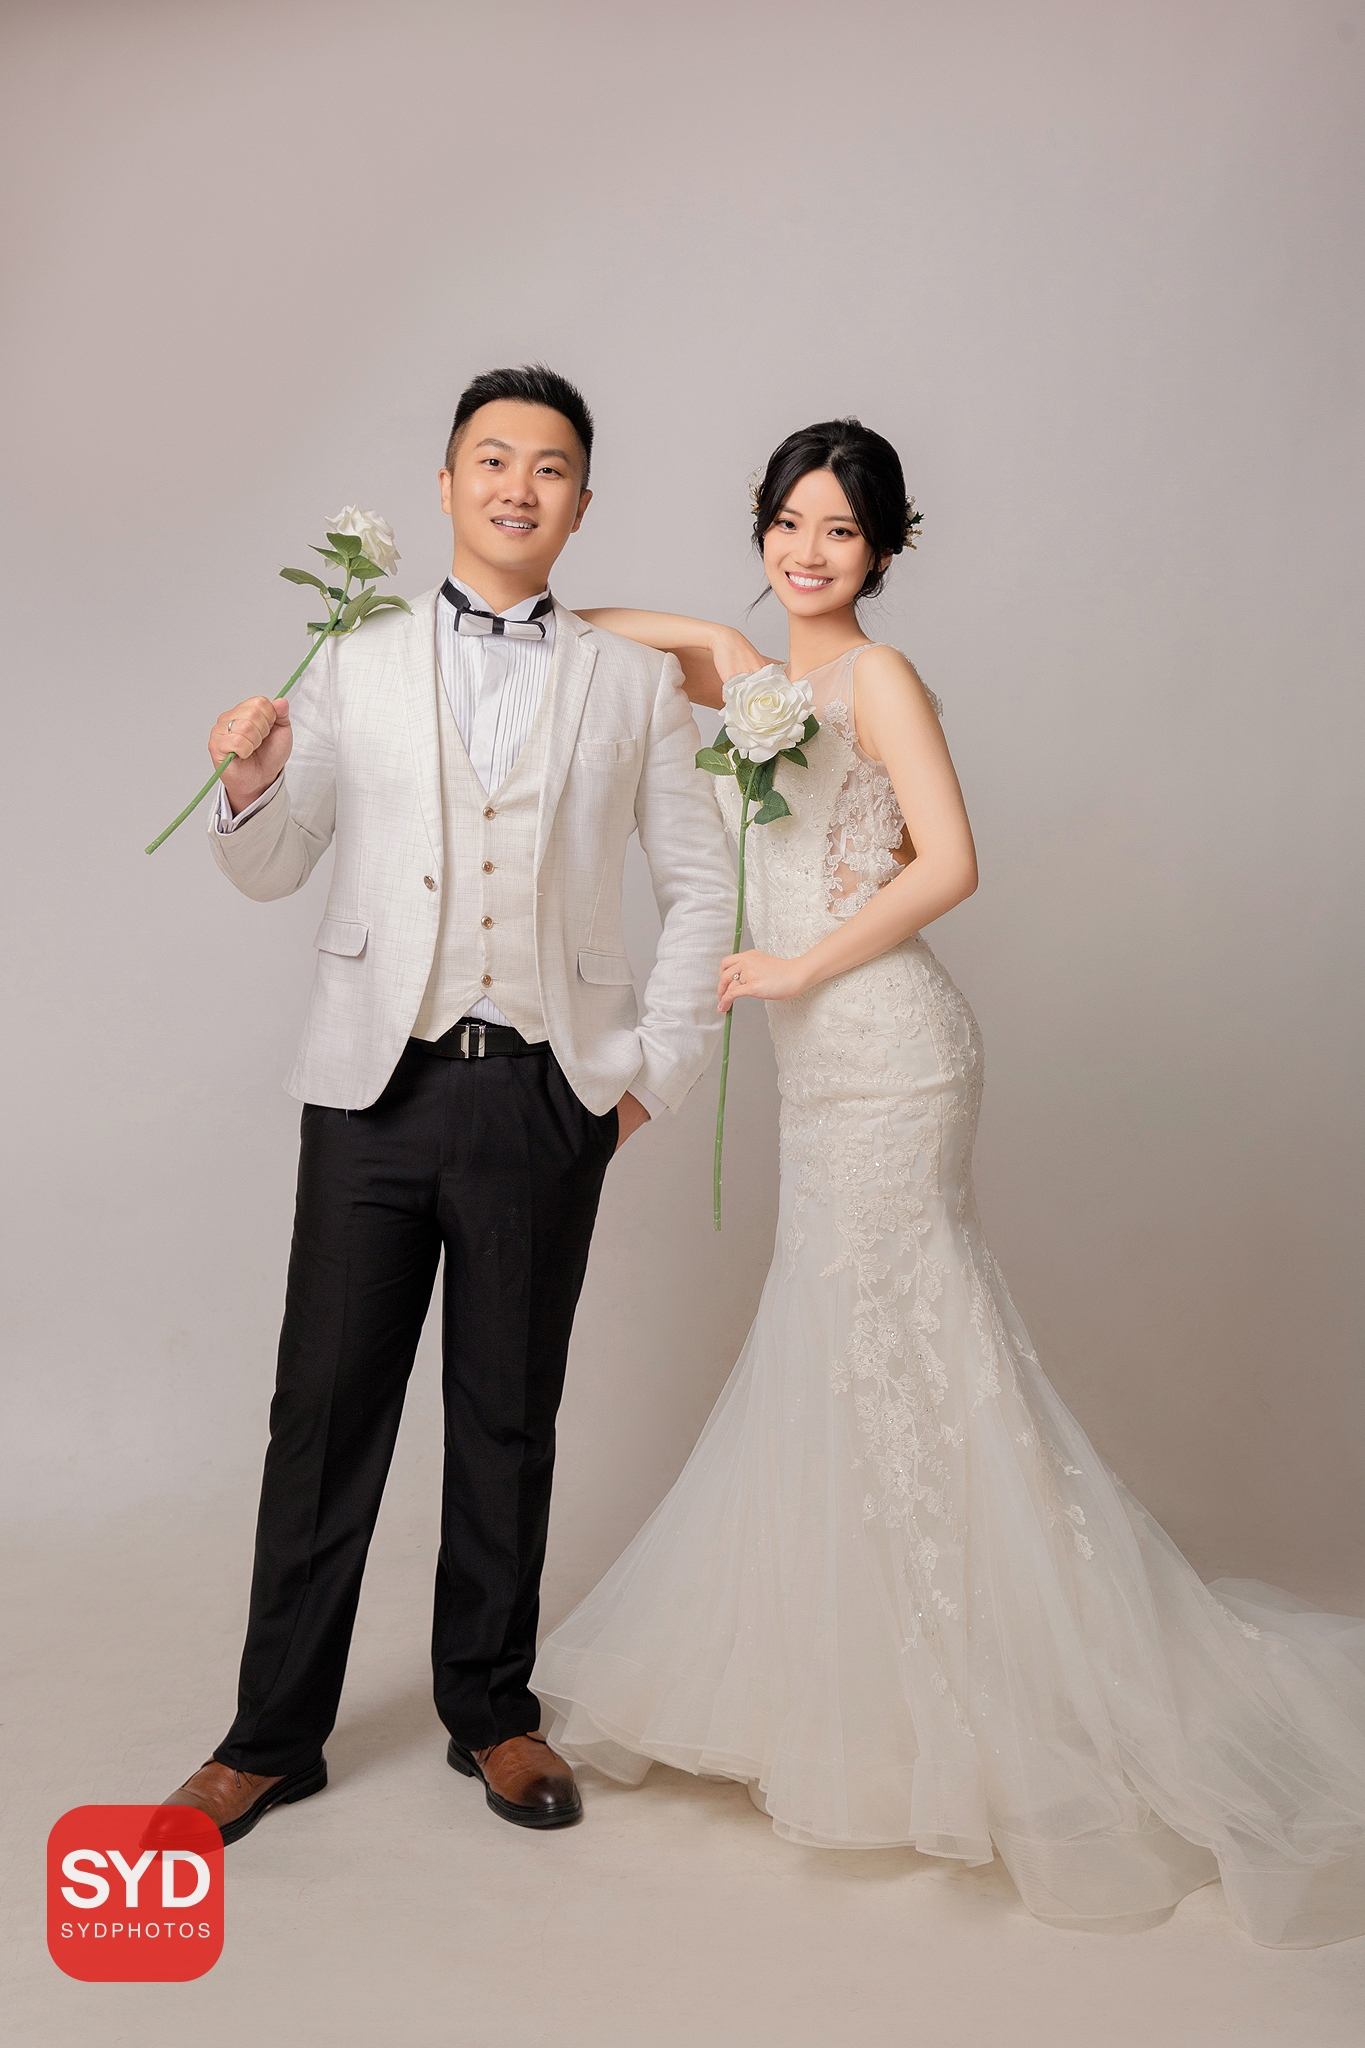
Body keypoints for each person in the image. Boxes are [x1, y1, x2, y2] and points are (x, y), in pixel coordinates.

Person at [534, 417, 1365, 1946]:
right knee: (838, 1346)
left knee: (903, 1345)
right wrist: (653, 628)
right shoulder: (756, 680)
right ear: (760, 526)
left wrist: (797, 965)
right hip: (816, 1071)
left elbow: (949, 862)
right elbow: (573, 623)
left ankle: (978, 1685)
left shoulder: (879, 680)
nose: (807, 551)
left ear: (886, 549)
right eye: (788, 522)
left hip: (891, 1048)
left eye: (840, 531)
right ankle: (856, 1676)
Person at [149, 365, 737, 1844]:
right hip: (373, 1087)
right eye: (492, 459)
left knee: (507, 1416)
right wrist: (249, 782)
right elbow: (273, 866)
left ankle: (493, 1710)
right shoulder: (351, 660)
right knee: (323, 1414)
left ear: (582, 502)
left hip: (543, 1093)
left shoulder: (632, 685)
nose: (518, 485)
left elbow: (704, 882)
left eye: (550, 467)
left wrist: (648, 1073)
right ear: (447, 484)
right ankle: (269, 1737)